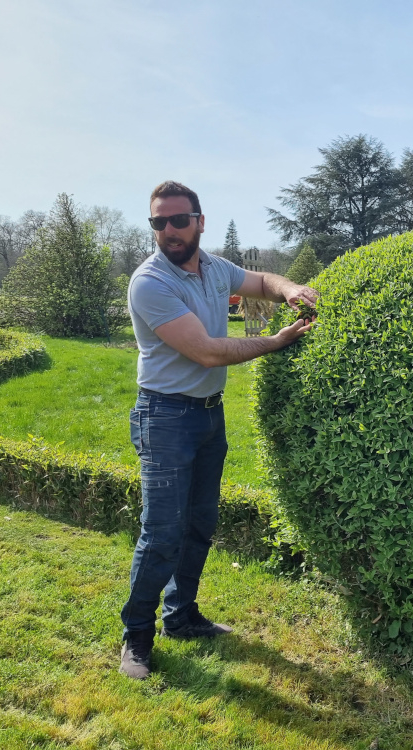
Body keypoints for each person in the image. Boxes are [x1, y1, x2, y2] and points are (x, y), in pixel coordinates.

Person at [120, 180, 317, 680]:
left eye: (178, 220)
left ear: (199, 222)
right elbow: (207, 350)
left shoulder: (214, 268)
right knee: (162, 533)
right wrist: (275, 341)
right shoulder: (150, 282)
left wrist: (290, 289)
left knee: (200, 523)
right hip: (164, 417)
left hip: (208, 413)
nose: (168, 230)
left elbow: (261, 280)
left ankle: (181, 616)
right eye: (158, 222)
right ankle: (137, 636)